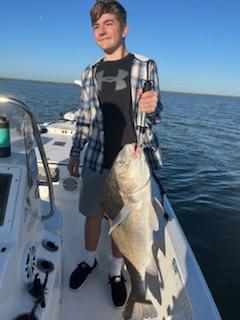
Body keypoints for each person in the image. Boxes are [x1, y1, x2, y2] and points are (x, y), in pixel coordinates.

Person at [68, 0, 163, 308]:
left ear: (124, 28)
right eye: (96, 26)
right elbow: (84, 116)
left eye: (108, 23)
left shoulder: (146, 66)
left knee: (122, 222)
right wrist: (74, 153)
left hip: (132, 164)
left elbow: (155, 112)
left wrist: (153, 106)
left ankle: (115, 272)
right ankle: (89, 260)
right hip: (96, 156)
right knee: (93, 214)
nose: (101, 30)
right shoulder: (89, 72)